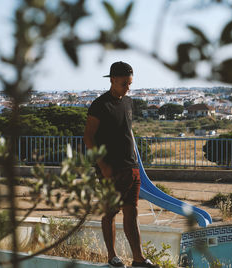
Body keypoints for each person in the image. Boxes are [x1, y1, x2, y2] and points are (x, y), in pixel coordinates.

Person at [83, 61, 159, 268]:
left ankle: (138, 258)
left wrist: (136, 163)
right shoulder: (100, 105)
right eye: (124, 83)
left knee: (132, 211)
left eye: (130, 84)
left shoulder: (128, 102)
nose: (128, 88)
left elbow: (126, 132)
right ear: (113, 79)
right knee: (110, 212)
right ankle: (112, 256)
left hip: (131, 167)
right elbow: (89, 138)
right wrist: (103, 165)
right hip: (110, 168)